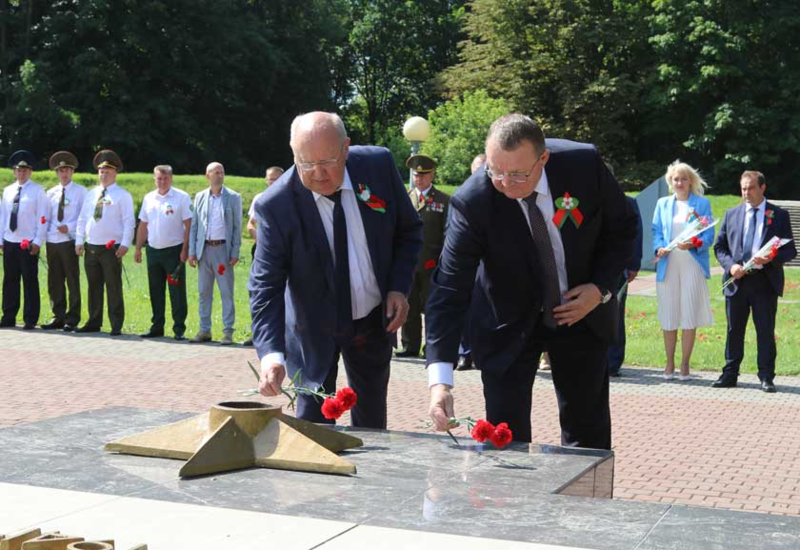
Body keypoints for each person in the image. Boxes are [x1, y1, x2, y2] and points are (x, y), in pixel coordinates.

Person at [426, 113, 637, 450]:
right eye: (496, 171)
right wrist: (440, 383)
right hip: (507, 321)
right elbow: (450, 288)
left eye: (518, 174)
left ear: (543, 158)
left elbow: (623, 228)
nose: (505, 183)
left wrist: (600, 289)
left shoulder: (583, 166)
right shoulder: (473, 201)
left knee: (588, 436)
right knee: (505, 437)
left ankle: (586, 486)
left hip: (579, 312)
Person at [250, 111, 422, 428]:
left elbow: (409, 231)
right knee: (312, 426)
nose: (318, 173)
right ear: (293, 154)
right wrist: (271, 356)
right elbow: (265, 287)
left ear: (346, 148)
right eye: (306, 163)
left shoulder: (377, 166)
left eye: (327, 161)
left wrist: (398, 287)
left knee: (371, 423)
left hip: (372, 320)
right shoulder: (276, 205)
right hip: (312, 327)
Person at [712, 171, 796, 393]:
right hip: (737, 281)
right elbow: (719, 247)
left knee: (765, 331)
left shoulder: (778, 215)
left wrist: (771, 259)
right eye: (743, 188)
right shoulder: (732, 214)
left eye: (750, 188)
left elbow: (790, 250)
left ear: (762, 188)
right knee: (734, 330)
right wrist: (731, 266)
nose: (746, 193)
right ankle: (730, 374)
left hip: (764, 282)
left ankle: (766, 376)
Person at [652, 161, 714, 380]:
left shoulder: (702, 204)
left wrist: (694, 243)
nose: (679, 183)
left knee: (689, 313)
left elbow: (708, 236)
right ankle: (669, 363)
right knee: (669, 314)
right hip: (668, 264)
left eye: (684, 179)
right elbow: (656, 231)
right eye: (676, 179)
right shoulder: (662, 204)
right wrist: (659, 247)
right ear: (671, 181)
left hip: (692, 264)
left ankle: (685, 364)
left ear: (690, 181)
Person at [75, 150, 135, 336]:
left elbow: (129, 221)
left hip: (111, 248)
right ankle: (94, 321)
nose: (104, 175)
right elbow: (83, 218)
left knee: (113, 286)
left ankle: (116, 323)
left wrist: (125, 244)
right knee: (93, 286)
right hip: (91, 246)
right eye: (101, 171)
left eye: (107, 171)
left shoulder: (123, 195)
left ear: (115, 173)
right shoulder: (91, 194)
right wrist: (79, 240)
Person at [396, 154, 449, 358]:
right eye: (416, 175)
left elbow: (447, 233)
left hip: (431, 264)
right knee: (409, 306)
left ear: (432, 175)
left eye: (424, 175)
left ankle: (432, 346)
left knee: (432, 308)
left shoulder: (443, 200)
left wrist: (441, 260)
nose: (419, 179)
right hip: (409, 264)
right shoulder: (405, 198)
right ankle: (410, 345)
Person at [134, 165, 192, 340]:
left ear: (171, 179)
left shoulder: (182, 197)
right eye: (159, 178)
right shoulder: (149, 198)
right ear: (154, 179)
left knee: (177, 292)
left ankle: (179, 328)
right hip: (153, 251)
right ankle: (157, 326)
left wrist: (185, 249)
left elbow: (189, 225)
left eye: (165, 178)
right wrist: (138, 248)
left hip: (174, 251)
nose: (162, 181)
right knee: (155, 290)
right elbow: (143, 225)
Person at [187, 162, 242, 345]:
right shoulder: (200, 197)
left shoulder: (233, 197)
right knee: (204, 292)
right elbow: (195, 226)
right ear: (207, 175)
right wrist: (192, 252)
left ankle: (228, 332)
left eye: (222, 172)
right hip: (204, 250)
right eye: (216, 172)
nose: (219, 175)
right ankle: (204, 330)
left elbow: (237, 227)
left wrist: (235, 252)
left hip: (223, 250)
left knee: (226, 292)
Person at [0, 150, 49, 330]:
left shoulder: (38, 191)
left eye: (25, 170)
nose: (22, 173)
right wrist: (1, 239)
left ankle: (30, 318)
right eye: (19, 170)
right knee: (10, 280)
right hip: (10, 240)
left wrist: (38, 241)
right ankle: (8, 316)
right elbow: (3, 217)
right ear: (14, 172)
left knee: (29, 280)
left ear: (31, 171)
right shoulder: (8, 191)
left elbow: (43, 218)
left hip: (28, 243)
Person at [42, 151, 87, 331]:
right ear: (56, 172)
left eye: (67, 170)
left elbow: (84, 216)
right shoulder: (50, 193)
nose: (64, 173)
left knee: (72, 279)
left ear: (72, 171)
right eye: (61, 170)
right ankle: (58, 316)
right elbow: (45, 217)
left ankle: (72, 318)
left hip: (69, 241)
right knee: (54, 280)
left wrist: (69, 227)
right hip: (52, 241)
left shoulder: (81, 192)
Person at [455, 154, 487, 371]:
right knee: (464, 309)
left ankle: (481, 353)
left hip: (490, 266)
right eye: (476, 170)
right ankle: (464, 354)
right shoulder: (462, 197)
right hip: (467, 264)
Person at [608, 195, 643, 376]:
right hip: (590, 268)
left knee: (615, 314)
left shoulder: (628, 203)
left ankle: (613, 362)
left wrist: (634, 264)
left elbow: (636, 234)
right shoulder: (588, 197)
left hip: (619, 269)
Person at [247, 166, 285, 258]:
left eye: (277, 179)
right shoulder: (259, 198)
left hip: (285, 249)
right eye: (271, 179)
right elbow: (251, 224)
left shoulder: (290, 199)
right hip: (262, 249)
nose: (273, 182)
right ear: (266, 180)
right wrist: (260, 240)